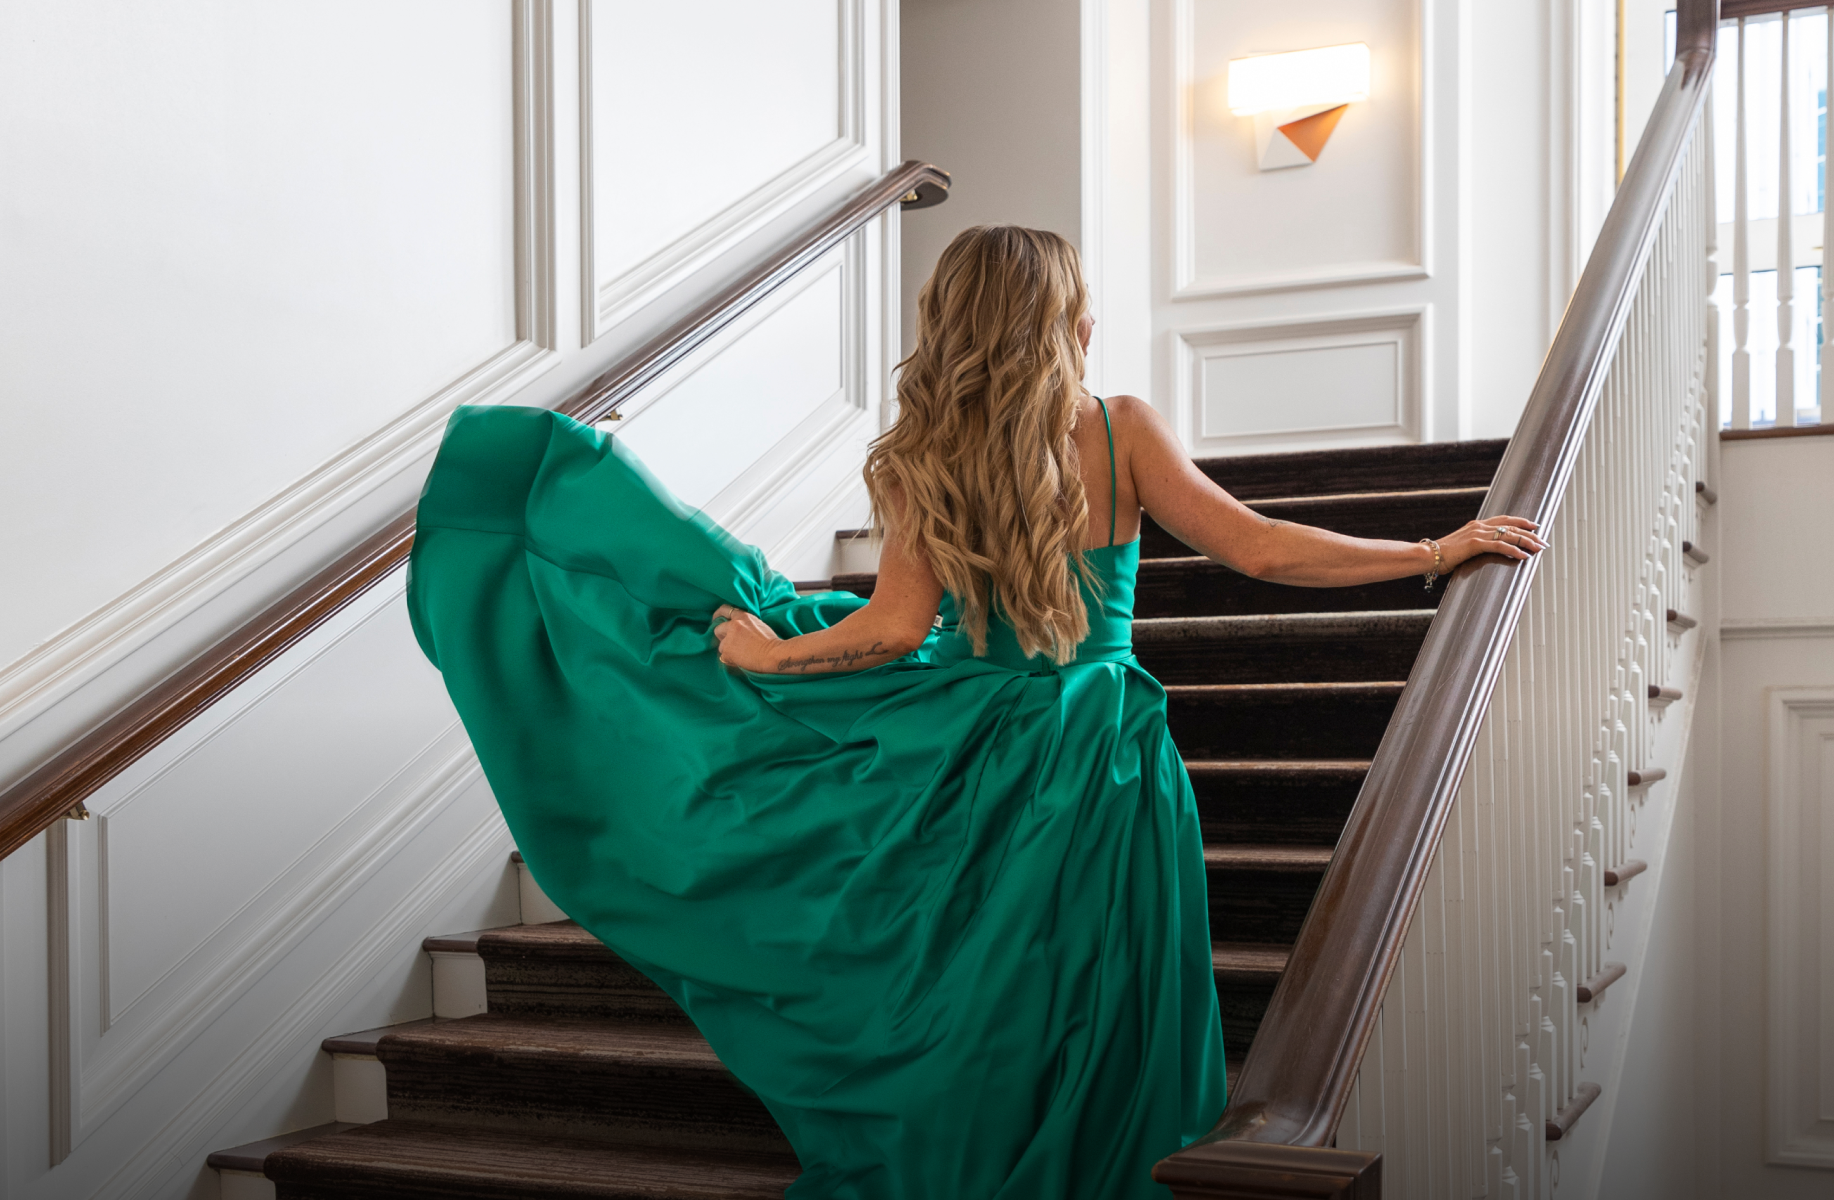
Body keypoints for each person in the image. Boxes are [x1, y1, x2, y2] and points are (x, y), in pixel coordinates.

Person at [408, 224, 1541, 1200]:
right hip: (1100, 746)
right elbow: (1258, 549)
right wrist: (1432, 550)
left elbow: (893, 633)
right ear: (1065, 323)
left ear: (952, 324)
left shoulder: (920, 455)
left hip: (979, 745)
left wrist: (760, 657)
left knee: (985, 988)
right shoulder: (1121, 429)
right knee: (1106, 988)